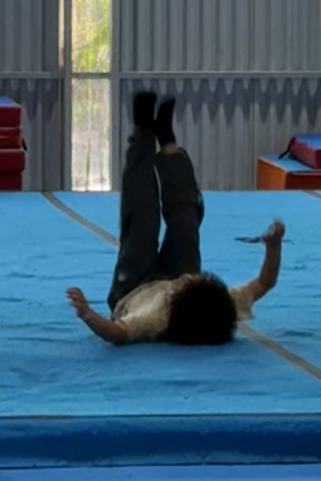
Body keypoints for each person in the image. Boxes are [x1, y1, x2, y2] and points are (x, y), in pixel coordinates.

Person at [67, 92, 285, 345]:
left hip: (134, 288)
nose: (187, 277)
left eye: (184, 284)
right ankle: (168, 144)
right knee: (186, 225)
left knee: (142, 222)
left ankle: (143, 132)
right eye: (192, 279)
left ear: (172, 306)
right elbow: (265, 283)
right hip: (183, 291)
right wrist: (273, 246)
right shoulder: (218, 304)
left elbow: (117, 334)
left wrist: (88, 314)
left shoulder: (154, 319)